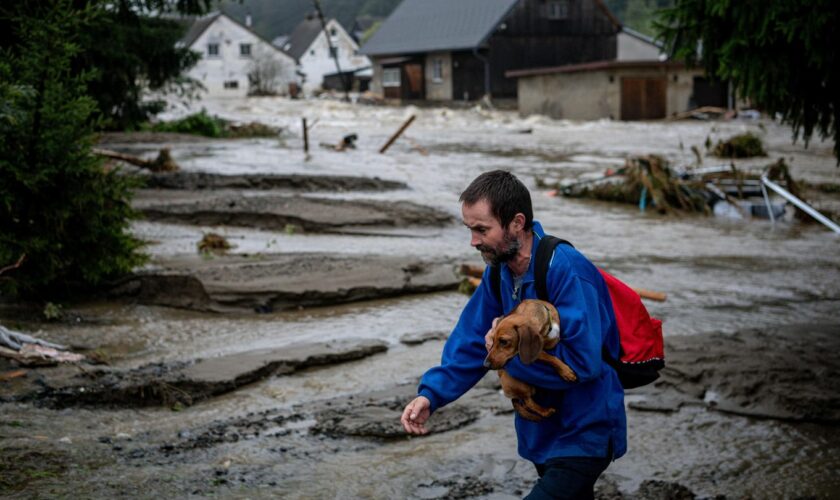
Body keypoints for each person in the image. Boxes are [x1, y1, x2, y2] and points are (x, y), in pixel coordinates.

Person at [400, 170, 626, 499]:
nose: (473, 241)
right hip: (540, 433)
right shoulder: (500, 275)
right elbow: (471, 342)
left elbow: (583, 365)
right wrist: (431, 395)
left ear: (517, 223)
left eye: (482, 229)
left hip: (584, 432)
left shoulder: (568, 271)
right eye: (470, 229)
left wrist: (509, 357)